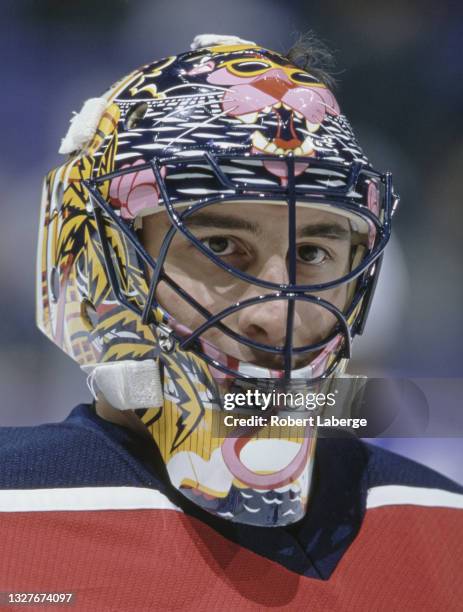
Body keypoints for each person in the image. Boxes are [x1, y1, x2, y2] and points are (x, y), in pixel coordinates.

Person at [1, 33, 462, 610]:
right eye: (219, 244)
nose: (278, 313)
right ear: (100, 263)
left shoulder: (446, 532)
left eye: (314, 253)